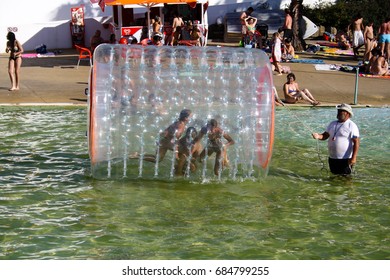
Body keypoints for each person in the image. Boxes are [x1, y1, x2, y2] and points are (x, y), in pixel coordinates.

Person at [312, 104, 360, 175]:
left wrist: (353, 158)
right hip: (332, 158)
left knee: (345, 179)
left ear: (347, 113)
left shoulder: (351, 125)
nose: (338, 112)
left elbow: (356, 142)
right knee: (334, 177)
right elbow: (325, 135)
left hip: (345, 159)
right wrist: (318, 136)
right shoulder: (332, 124)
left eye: (341, 111)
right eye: (338, 111)